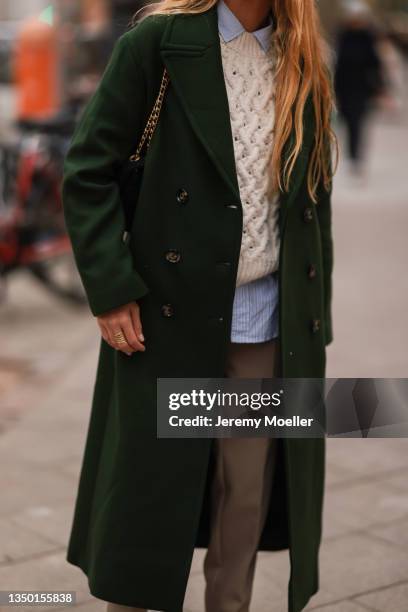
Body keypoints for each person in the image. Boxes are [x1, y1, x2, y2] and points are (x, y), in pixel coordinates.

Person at [62, 1, 337, 611]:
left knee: (243, 497)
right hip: (165, 320)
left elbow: (313, 199)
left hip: (265, 321)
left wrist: (314, 318)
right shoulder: (158, 42)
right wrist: (111, 290)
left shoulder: (303, 56)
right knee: (148, 493)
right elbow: (87, 172)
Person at [334, 1, 384, 174]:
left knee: (357, 122)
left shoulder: (368, 36)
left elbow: (375, 63)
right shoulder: (343, 35)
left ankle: (356, 157)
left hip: (362, 88)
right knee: (347, 121)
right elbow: (338, 63)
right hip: (344, 87)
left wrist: (379, 87)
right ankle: (351, 154)